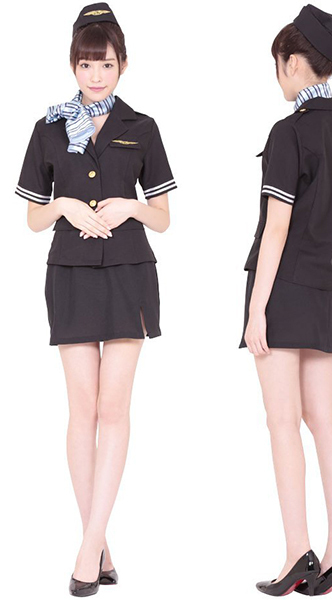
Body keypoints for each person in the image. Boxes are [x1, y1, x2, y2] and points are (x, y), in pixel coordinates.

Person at [15, 3, 177, 596]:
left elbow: (163, 217)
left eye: (106, 64)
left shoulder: (143, 126)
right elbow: (34, 218)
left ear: (123, 64)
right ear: (72, 66)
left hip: (130, 273)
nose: (96, 75)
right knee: (81, 411)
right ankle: (99, 543)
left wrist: (131, 205)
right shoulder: (49, 128)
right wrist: (62, 205)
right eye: (86, 64)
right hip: (71, 274)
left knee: (114, 409)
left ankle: (88, 551)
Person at [238, 4, 332, 597]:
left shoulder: (288, 132)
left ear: (291, 62)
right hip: (326, 285)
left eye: (278, 66)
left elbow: (277, 227)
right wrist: (325, 273)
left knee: (283, 421)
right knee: (326, 420)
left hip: (283, 289)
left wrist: (256, 308)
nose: (278, 78)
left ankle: (298, 554)